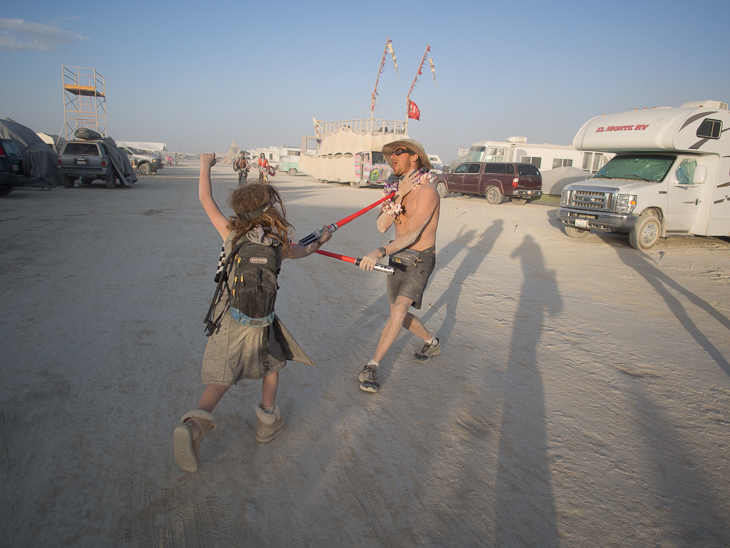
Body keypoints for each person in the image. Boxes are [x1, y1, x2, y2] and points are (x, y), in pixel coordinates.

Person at [173, 153, 333, 472]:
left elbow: (205, 197)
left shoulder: (231, 233)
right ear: (269, 209)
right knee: (272, 366)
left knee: (221, 378)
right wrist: (324, 236)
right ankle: (266, 423)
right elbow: (306, 249)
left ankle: (193, 427)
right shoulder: (277, 242)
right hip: (263, 321)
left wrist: (205, 165)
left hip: (231, 316)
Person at [357, 139, 441, 393]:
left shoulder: (428, 192)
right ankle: (431, 341)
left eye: (398, 152)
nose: (391, 157)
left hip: (419, 258)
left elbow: (414, 235)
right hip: (398, 256)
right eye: (389, 154)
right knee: (399, 314)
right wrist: (400, 194)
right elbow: (382, 225)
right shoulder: (397, 190)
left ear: (414, 157)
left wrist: (379, 251)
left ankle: (371, 366)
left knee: (399, 310)